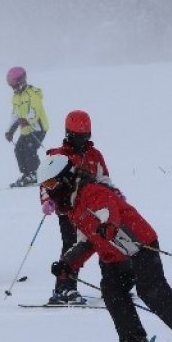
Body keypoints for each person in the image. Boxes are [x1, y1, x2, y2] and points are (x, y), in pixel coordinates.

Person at [40, 155, 172, 342]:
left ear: (66, 178)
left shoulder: (92, 192)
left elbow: (108, 211)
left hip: (138, 244)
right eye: (45, 185)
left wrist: (108, 226)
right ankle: (134, 341)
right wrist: (67, 264)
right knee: (112, 291)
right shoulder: (74, 206)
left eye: (51, 183)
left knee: (151, 289)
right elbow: (85, 241)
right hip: (113, 256)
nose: (49, 190)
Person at [42, 110, 113, 305]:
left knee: (105, 243)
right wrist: (47, 201)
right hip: (68, 210)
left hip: (93, 211)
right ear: (67, 133)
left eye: (85, 136)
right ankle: (64, 289)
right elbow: (46, 182)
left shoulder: (94, 155)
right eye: (76, 137)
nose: (81, 141)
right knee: (72, 245)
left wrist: (114, 197)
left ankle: (113, 286)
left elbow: (104, 180)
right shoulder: (59, 155)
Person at [4, 66, 49, 188]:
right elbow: (15, 114)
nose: (12, 88)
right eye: (11, 85)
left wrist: (27, 120)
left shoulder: (32, 93)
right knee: (18, 149)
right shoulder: (16, 97)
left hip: (38, 128)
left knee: (30, 149)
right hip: (26, 129)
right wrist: (10, 131)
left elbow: (35, 110)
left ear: (21, 81)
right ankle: (27, 174)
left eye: (13, 85)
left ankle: (35, 174)